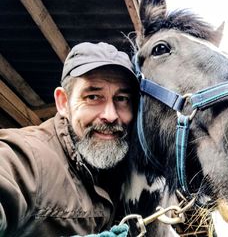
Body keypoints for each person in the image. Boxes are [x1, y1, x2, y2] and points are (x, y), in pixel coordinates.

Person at [0, 42, 139, 236]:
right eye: (93, 97)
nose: (111, 115)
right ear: (63, 103)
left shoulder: (118, 164)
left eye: (122, 98)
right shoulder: (29, 156)